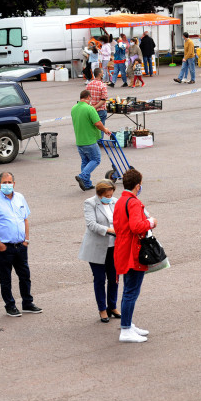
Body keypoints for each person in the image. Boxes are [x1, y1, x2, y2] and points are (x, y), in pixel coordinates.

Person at [0, 172, 41, 317]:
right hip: (4, 248)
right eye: (4, 182)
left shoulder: (20, 198)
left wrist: (26, 240)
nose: (7, 185)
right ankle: (10, 305)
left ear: (14, 183)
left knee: (25, 276)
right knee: (6, 279)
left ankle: (27, 302)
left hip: (20, 246)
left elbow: (25, 219)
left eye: (10, 182)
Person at [113, 169, 156, 343]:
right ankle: (125, 329)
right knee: (131, 291)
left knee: (129, 289)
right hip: (133, 250)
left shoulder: (121, 200)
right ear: (138, 186)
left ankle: (128, 324)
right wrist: (151, 222)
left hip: (123, 247)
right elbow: (137, 226)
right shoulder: (133, 203)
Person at [79, 180, 121, 323]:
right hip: (96, 248)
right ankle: (102, 309)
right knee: (100, 279)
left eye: (111, 194)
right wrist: (109, 230)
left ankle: (112, 306)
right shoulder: (90, 203)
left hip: (114, 247)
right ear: (99, 193)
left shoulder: (115, 202)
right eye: (106, 195)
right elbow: (91, 224)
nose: (109, 197)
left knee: (114, 278)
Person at [71, 90, 112, 191]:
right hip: (89, 140)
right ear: (88, 97)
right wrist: (105, 129)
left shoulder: (74, 108)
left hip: (79, 140)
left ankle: (87, 184)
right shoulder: (90, 109)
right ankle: (82, 176)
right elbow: (98, 123)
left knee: (85, 161)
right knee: (96, 159)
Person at [86, 68, 108, 134]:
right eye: (102, 73)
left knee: (91, 127)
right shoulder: (102, 85)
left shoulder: (89, 85)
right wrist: (95, 107)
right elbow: (103, 100)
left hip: (90, 109)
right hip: (100, 110)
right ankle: (99, 142)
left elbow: (86, 98)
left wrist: (92, 107)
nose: (103, 74)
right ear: (99, 74)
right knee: (101, 128)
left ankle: (93, 141)